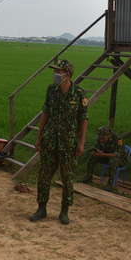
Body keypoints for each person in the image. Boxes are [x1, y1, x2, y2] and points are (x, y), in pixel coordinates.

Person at [29, 59, 88, 225]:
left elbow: (83, 119)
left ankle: (64, 211)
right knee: (44, 175)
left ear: (67, 75)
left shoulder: (79, 93)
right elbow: (45, 113)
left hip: (68, 143)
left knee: (67, 178)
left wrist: (81, 142)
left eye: (58, 72)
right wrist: (39, 137)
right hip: (49, 140)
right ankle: (41, 208)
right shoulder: (51, 90)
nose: (55, 74)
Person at [79, 126, 127, 192]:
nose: (101, 140)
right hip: (106, 157)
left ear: (108, 135)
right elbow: (97, 146)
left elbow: (118, 154)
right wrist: (96, 151)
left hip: (119, 160)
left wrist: (103, 154)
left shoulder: (118, 139)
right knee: (93, 157)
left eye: (103, 138)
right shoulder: (100, 139)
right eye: (100, 138)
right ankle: (88, 177)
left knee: (113, 160)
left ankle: (110, 184)